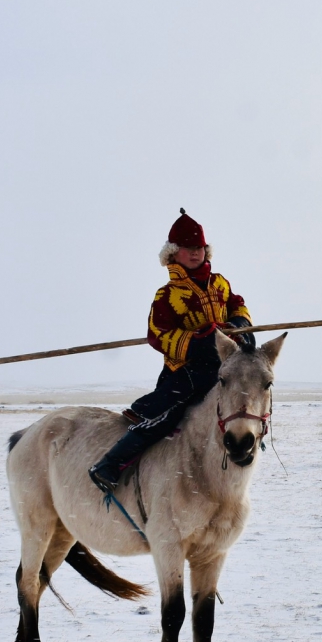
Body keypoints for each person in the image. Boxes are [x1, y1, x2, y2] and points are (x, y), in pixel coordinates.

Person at [89, 209, 254, 492]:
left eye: (199, 247)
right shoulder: (167, 295)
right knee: (166, 420)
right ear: (173, 253)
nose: (194, 253)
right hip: (185, 373)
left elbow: (236, 304)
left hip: (221, 369)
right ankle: (109, 465)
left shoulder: (220, 283)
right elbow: (158, 335)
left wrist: (241, 325)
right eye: (188, 248)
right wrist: (198, 343)